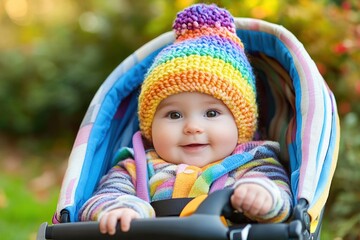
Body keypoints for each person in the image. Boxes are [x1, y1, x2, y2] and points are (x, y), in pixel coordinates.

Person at [79, 3, 293, 235]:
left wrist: (261, 195)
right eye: (174, 115)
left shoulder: (252, 162)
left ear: (241, 125)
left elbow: (280, 197)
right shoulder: (136, 166)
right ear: (150, 126)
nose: (192, 127)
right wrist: (122, 208)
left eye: (211, 113)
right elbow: (99, 200)